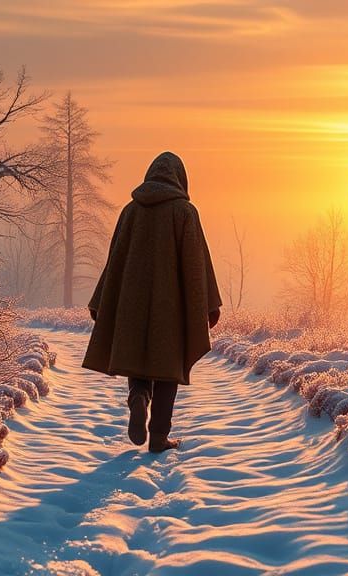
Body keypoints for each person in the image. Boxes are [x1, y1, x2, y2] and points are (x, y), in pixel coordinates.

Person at [83, 151, 222, 453]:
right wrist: (208, 305)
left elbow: (115, 261)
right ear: (180, 179)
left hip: (132, 304)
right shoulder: (185, 212)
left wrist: (102, 298)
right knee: (167, 370)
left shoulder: (130, 211)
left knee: (138, 359)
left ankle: (138, 396)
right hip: (170, 310)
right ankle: (158, 437)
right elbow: (197, 265)